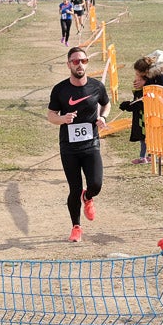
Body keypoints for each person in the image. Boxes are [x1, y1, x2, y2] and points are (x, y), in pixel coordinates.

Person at [47, 46, 110, 242]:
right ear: (69, 65)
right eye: (75, 61)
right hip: (69, 148)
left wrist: (103, 117)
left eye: (83, 61)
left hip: (91, 144)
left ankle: (88, 197)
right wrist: (63, 119)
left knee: (96, 184)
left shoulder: (96, 87)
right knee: (74, 188)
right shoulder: (60, 89)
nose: (80, 64)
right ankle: (76, 227)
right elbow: (51, 116)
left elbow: (106, 103)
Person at [119, 56, 152, 163]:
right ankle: (143, 157)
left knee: (147, 136)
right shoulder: (140, 89)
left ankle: (150, 156)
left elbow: (141, 104)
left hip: (146, 117)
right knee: (143, 138)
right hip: (139, 117)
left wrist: (129, 106)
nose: (136, 78)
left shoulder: (148, 88)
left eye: (138, 76)